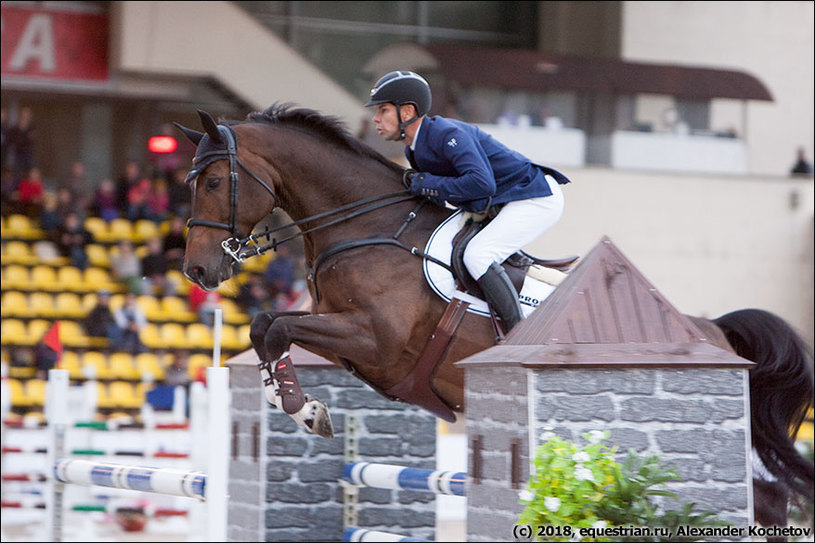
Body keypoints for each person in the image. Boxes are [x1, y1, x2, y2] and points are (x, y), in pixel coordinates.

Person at [365, 70, 571, 333]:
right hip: (501, 204)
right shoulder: (414, 148)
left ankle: (517, 335)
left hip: (534, 198)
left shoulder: (445, 133)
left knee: (478, 255)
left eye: (383, 110)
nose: (376, 118)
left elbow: (482, 184)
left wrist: (425, 183)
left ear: (406, 112)